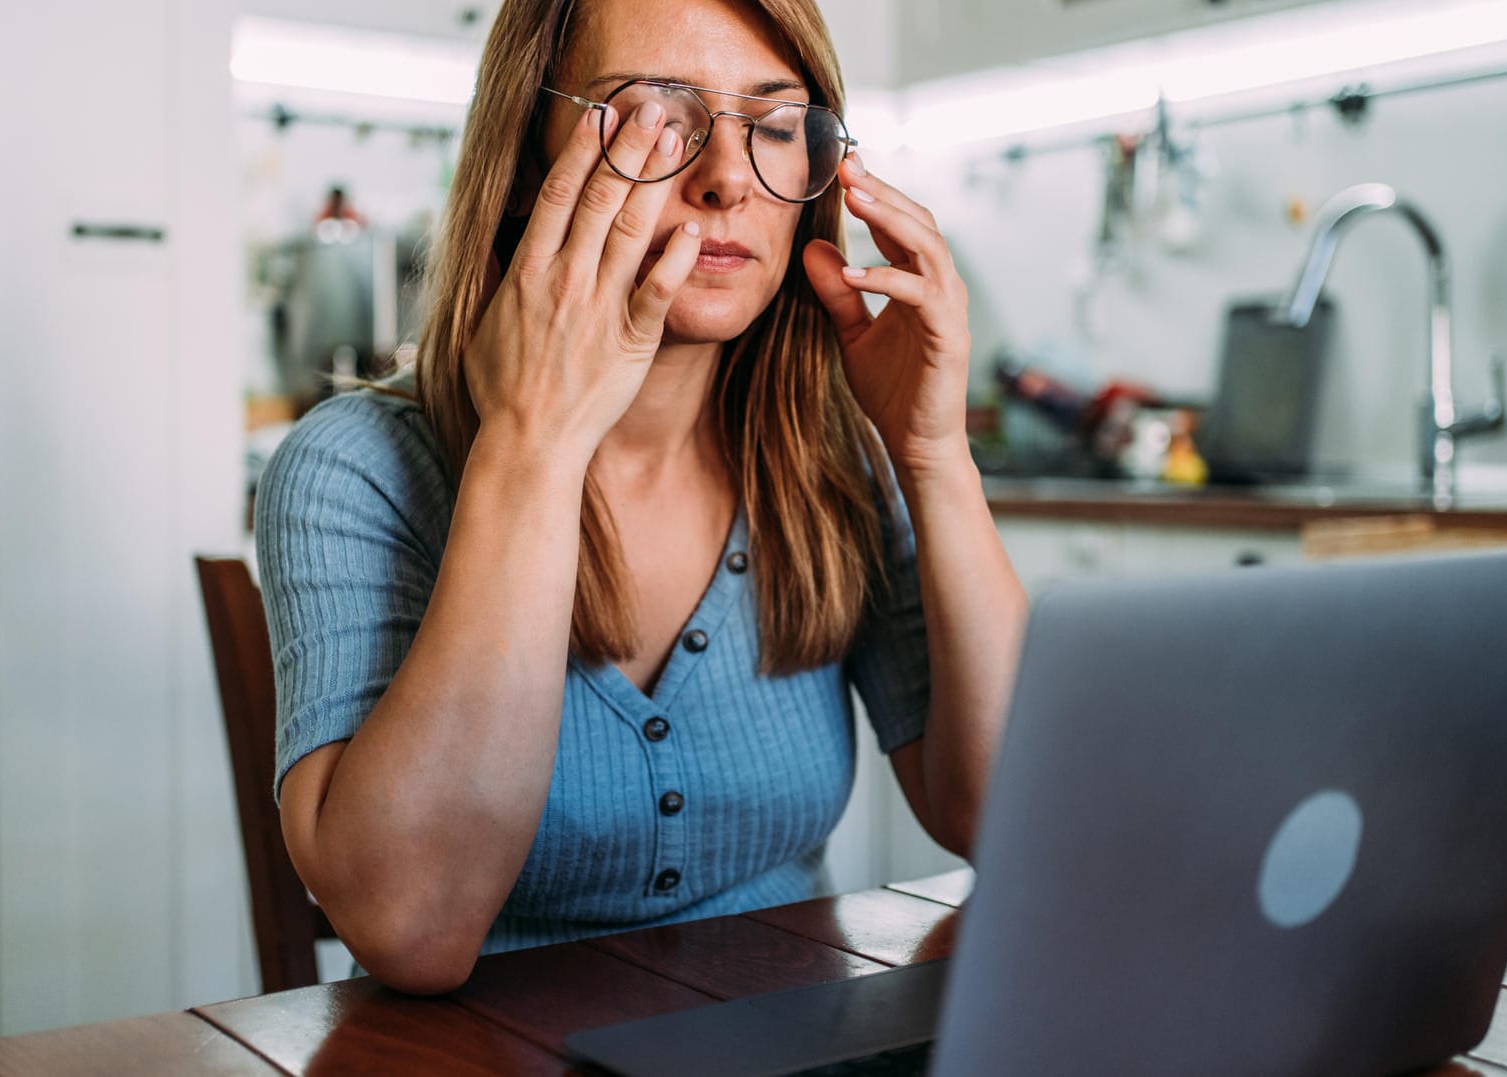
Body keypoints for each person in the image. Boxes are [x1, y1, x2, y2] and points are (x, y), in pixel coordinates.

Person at [254, 0, 1027, 995]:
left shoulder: (833, 453)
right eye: (655, 119)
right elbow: (412, 928)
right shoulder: (351, 467)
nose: (726, 180)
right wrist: (532, 441)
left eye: (776, 125)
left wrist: (933, 457)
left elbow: (1003, 818)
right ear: (531, 165)